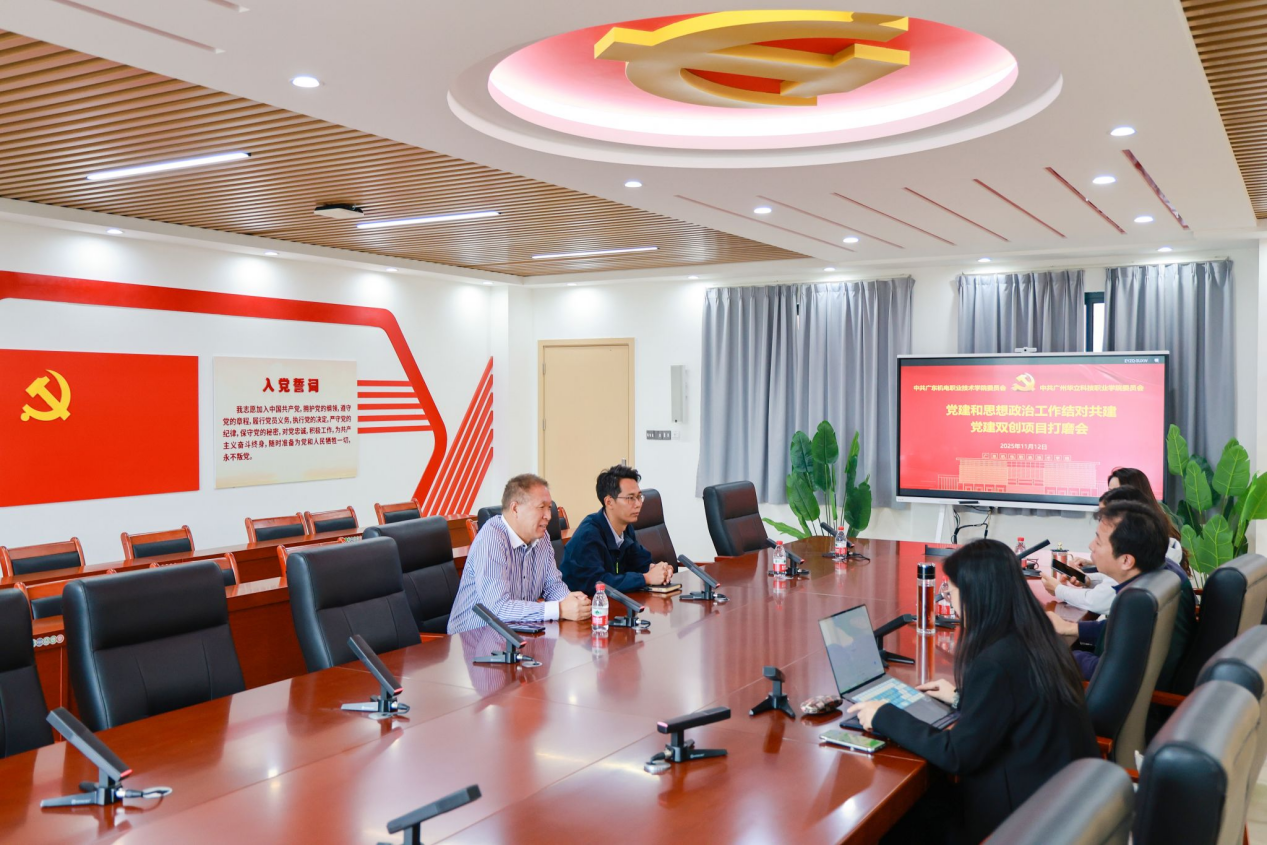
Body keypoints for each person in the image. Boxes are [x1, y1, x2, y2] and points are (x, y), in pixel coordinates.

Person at [846, 539, 1098, 844]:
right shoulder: (1039, 635)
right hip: (1061, 804)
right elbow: (1018, 706)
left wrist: (884, 715)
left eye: (950, 590)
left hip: (1020, 821)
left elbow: (957, 755)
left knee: (897, 825)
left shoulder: (995, 661)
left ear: (974, 595)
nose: (948, 598)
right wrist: (961, 697)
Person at [1046, 500, 1196, 691]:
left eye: (1098, 541)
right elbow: (1119, 629)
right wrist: (1071, 628)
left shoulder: (1135, 602)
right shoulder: (1160, 575)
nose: (1091, 546)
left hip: (1125, 700)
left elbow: (1107, 672)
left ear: (1126, 560)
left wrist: (1056, 655)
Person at [447, 473, 591, 634]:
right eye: (541, 507)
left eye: (549, 507)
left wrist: (571, 601)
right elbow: (498, 608)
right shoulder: (492, 538)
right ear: (515, 508)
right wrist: (559, 609)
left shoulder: (542, 537)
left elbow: (552, 585)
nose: (549, 516)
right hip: (472, 638)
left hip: (515, 633)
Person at [560, 465, 674, 596]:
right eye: (630, 498)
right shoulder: (588, 535)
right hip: (585, 604)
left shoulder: (625, 528)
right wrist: (646, 578)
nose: (638, 504)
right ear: (609, 502)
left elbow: (639, 561)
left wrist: (657, 569)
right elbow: (597, 583)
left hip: (614, 602)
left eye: (639, 497)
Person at [1107, 466, 1189, 572]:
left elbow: (1125, 572)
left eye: (1116, 492)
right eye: (1109, 492)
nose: (1109, 498)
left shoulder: (1143, 532)